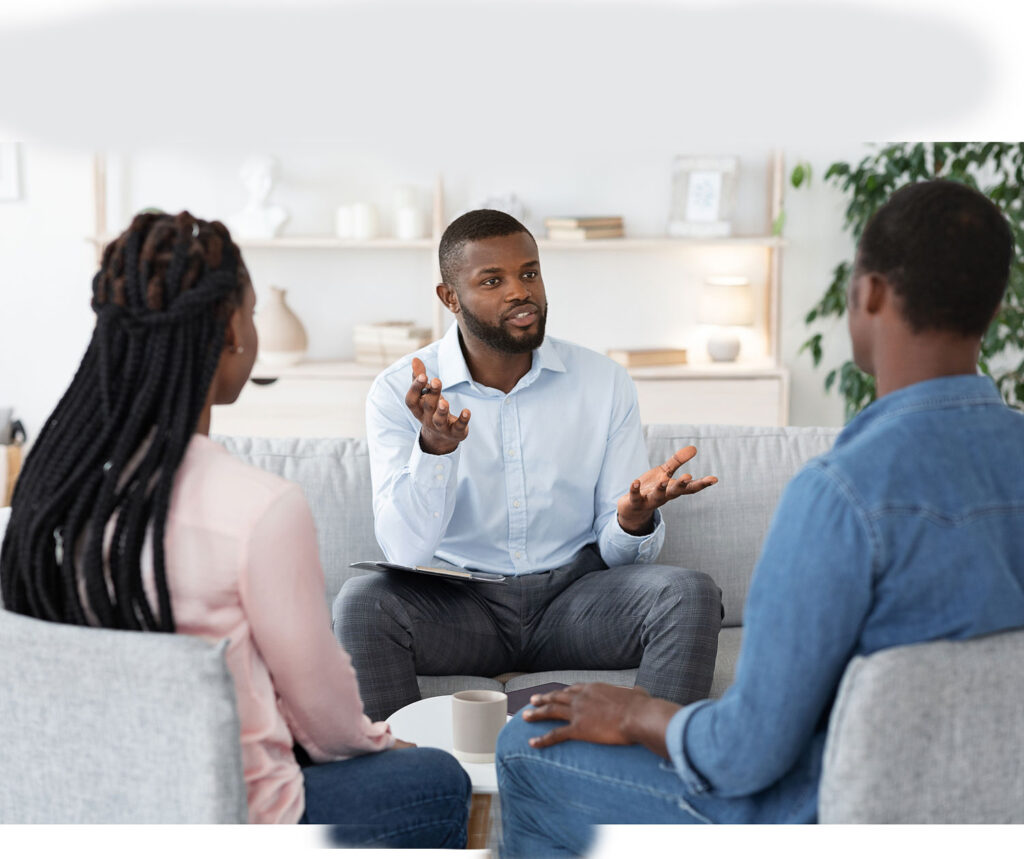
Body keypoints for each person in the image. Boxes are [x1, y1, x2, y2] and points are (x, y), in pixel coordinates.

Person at [494, 178, 1024, 854]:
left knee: (524, 744)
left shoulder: (841, 494)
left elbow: (746, 755)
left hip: (812, 814)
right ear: (995, 305)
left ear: (870, 295)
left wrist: (640, 712)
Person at [0, 212, 470, 843]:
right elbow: (328, 724)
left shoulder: (49, 496)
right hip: (240, 821)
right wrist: (383, 740)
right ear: (229, 331)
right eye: (250, 313)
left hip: (91, 808)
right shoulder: (260, 508)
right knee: (438, 778)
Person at [333, 209, 724, 723]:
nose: (521, 291)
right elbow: (405, 551)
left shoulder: (603, 382)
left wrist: (633, 519)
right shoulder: (400, 392)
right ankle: (410, 777)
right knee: (363, 603)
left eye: (530, 273)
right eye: (492, 280)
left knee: (690, 594)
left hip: (573, 602)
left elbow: (622, 556)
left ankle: (645, 776)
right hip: (459, 608)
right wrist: (435, 450)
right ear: (450, 298)